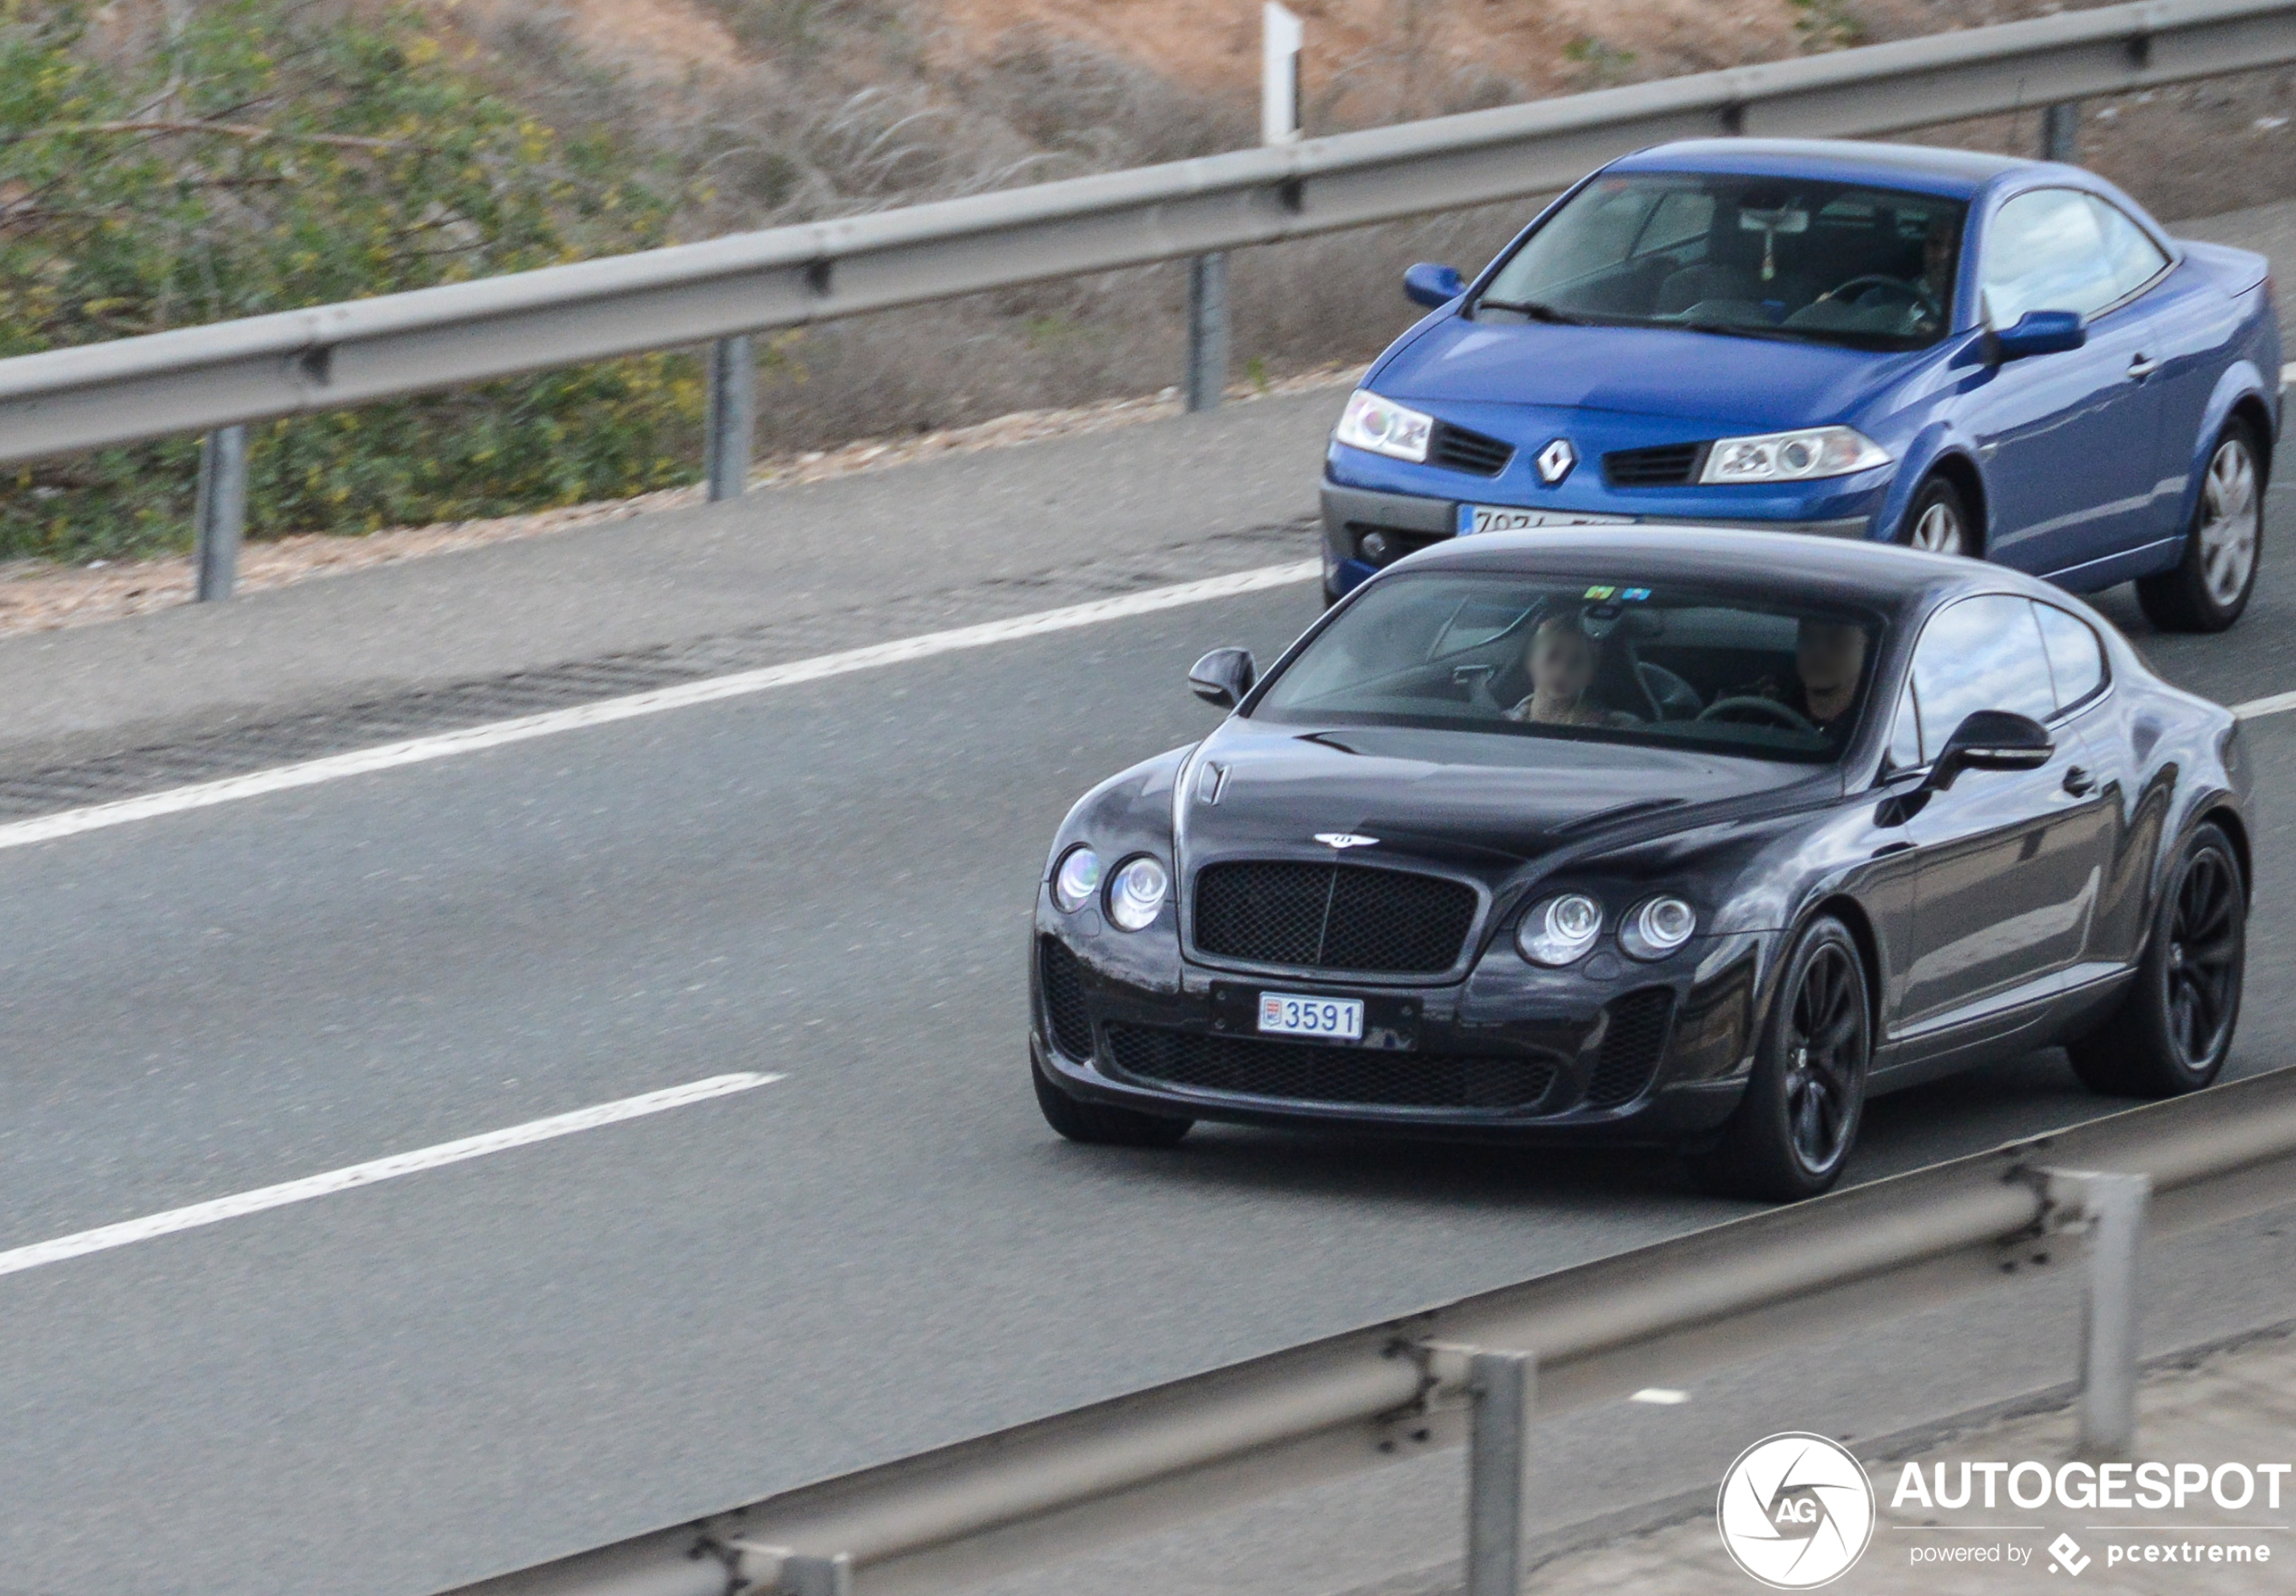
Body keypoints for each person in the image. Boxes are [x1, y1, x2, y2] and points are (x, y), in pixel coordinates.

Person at [1503, 614, 1637, 728]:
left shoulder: (1614, 727)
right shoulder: (1502, 722)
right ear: (1531, 663)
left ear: (1590, 675)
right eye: (1552, 655)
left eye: (1577, 661)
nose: (1563, 669)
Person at [1776, 617, 1869, 738]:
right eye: (1807, 638)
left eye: (1836, 638)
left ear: (1867, 650)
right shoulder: (1769, 715)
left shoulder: (1875, 727)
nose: (1819, 650)